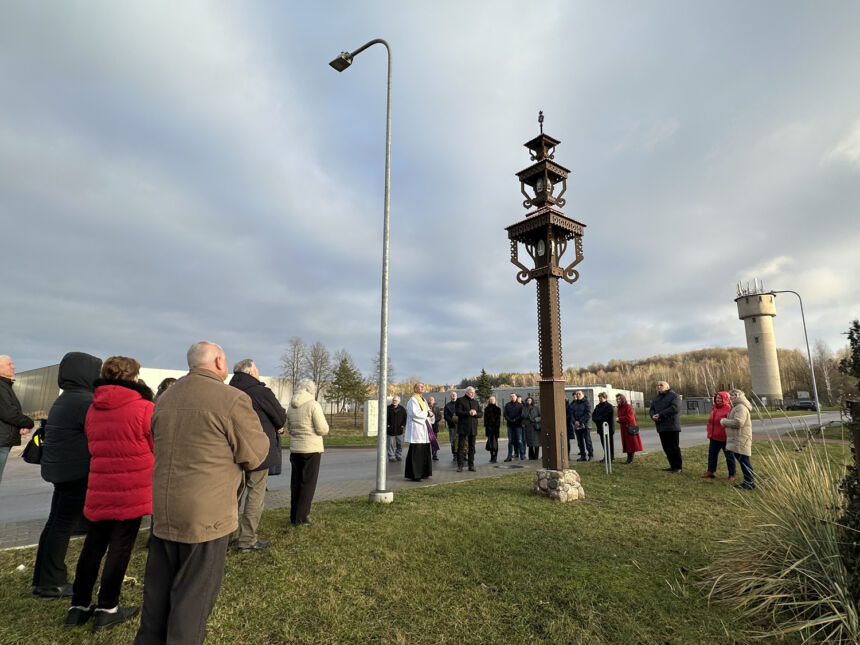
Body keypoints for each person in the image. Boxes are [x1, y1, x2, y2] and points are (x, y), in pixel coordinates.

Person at [133, 342, 268, 645]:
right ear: (219, 361)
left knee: (156, 602)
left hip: (165, 512)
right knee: (193, 602)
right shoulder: (232, 399)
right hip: (208, 517)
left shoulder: (165, 399)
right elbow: (256, 454)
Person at [65, 356, 154, 632]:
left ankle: (78, 606)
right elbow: (155, 443)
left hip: (100, 486)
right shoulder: (144, 408)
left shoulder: (93, 408)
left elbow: (92, 441)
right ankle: (107, 607)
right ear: (134, 378)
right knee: (120, 547)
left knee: (93, 545)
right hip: (132, 488)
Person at [32, 351, 102, 599]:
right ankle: (51, 582)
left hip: (63, 472)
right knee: (62, 526)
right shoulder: (84, 402)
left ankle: (43, 578)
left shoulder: (67, 398)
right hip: (76, 474)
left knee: (55, 524)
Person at [229, 359, 287, 552]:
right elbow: (280, 416)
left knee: (232, 495)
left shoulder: (228, 391)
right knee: (255, 494)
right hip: (257, 451)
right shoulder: (261, 392)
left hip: (231, 451)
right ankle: (247, 540)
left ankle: (226, 535)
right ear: (252, 372)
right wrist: (277, 425)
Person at [286, 378, 329, 526]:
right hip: (311, 449)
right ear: (311, 391)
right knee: (308, 484)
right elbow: (323, 429)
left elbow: (289, 428)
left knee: (296, 483)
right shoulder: (313, 405)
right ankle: (301, 518)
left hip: (296, 449)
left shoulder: (291, 406)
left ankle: (293, 516)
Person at [0, 354, 34, 484]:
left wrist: (21, 425)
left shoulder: (5, 385)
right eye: (9, 364)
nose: (13, 367)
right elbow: (8, 413)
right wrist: (29, 422)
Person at [721, 389, 755, 490]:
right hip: (737, 438)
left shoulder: (741, 408)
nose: (730, 398)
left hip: (741, 438)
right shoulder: (736, 407)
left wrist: (724, 422)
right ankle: (748, 481)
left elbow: (738, 423)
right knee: (743, 460)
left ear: (737, 396)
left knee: (744, 460)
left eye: (731, 396)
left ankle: (749, 482)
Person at [649, 381, 682, 473]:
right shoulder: (656, 398)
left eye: (661, 385)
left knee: (674, 447)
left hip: (672, 426)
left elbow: (674, 408)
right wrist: (652, 416)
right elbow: (651, 409)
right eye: (658, 385)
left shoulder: (675, 396)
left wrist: (660, 414)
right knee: (666, 447)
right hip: (661, 426)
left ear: (667, 387)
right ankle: (672, 465)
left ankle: (678, 467)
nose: (659, 387)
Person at [702, 391, 736, 480]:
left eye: (720, 398)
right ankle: (710, 471)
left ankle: (732, 474)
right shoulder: (714, 408)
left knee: (729, 456)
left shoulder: (729, 409)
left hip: (725, 438)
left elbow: (731, 423)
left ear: (725, 399)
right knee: (712, 455)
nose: (718, 400)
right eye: (717, 398)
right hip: (714, 437)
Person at [404, 383, 433, 481]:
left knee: (425, 452)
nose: (422, 388)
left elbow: (428, 411)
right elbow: (414, 414)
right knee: (417, 453)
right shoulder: (413, 400)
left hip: (425, 430)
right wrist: (427, 413)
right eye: (420, 387)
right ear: (415, 389)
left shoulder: (423, 400)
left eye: (423, 386)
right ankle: (415, 474)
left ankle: (424, 473)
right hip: (417, 429)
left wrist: (430, 414)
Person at [455, 386, 482, 472]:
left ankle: (471, 465)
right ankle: (460, 465)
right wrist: (468, 412)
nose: (473, 394)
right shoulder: (460, 400)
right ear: (467, 392)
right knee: (461, 447)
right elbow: (458, 412)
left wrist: (476, 413)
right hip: (463, 427)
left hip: (473, 427)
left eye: (474, 393)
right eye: (471, 392)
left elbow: (481, 414)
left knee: (472, 447)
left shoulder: (476, 402)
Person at [615, 394, 642, 464]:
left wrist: (619, 419)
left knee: (631, 444)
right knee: (627, 443)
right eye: (617, 399)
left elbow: (630, 417)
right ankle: (629, 459)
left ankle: (630, 459)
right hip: (624, 427)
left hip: (630, 427)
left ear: (623, 399)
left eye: (619, 399)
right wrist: (619, 420)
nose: (618, 400)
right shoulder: (619, 407)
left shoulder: (628, 406)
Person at [568, 390, 593, 462]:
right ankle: (583, 456)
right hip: (576, 425)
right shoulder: (574, 404)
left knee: (587, 440)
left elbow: (588, 413)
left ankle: (590, 455)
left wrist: (580, 421)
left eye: (579, 394)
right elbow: (571, 414)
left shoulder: (586, 402)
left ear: (582, 394)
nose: (578, 395)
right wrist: (574, 421)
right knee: (580, 441)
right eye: (577, 394)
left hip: (585, 425)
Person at [591, 392, 615, 461]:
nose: (600, 399)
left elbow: (606, 417)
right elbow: (594, 415)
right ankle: (606, 456)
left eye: (601, 398)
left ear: (605, 398)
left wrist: (598, 419)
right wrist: (596, 419)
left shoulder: (609, 406)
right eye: (599, 398)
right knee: (603, 443)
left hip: (608, 428)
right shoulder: (598, 406)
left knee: (609, 443)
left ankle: (611, 457)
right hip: (600, 428)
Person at [503, 393, 524, 462]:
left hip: (518, 425)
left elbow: (521, 415)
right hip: (510, 425)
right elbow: (505, 414)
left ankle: (522, 455)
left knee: (520, 441)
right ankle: (509, 456)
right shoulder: (507, 405)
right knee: (510, 441)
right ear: (510, 398)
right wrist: (510, 420)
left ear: (516, 397)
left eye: (513, 396)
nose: (512, 397)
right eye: (511, 396)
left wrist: (515, 420)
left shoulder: (520, 405)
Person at [386, 395, 406, 463]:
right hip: (390, 430)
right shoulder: (388, 408)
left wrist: (403, 425)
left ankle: (398, 455)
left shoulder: (402, 409)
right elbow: (385, 418)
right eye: (393, 400)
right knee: (390, 444)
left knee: (399, 444)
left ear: (399, 401)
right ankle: (391, 456)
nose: (394, 401)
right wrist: (387, 425)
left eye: (396, 400)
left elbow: (405, 418)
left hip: (399, 429)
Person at [483, 396, 502, 463]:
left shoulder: (498, 409)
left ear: (495, 400)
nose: (491, 401)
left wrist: (496, 427)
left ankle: (495, 457)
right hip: (489, 428)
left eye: (493, 399)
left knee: (495, 443)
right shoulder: (486, 409)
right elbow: (485, 420)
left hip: (495, 429)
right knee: (490, 443)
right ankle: (491, 456)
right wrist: (487, 426)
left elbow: (498, 420)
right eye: (490, 399)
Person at [522, 396, 542, 461]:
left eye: (530, 400)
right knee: (530, 443)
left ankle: (536, 456)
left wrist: (535, 420)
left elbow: (540, 416)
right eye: (528, 400)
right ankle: (531, 456)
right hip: (528, 427)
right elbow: (523, 417)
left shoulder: (536, 407)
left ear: (532, 401)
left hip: (535, 427)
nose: (529, 401)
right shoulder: (524, 408)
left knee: (537, 443)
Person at [427, 395, 442, 461]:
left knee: (434, 441)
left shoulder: (437, 408)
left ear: (434, 401)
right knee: (427, 442)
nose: (430, 401)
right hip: (427, 427)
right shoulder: (425, 407)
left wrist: (433, 421)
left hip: (434, 427)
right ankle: (427, 455)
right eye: (429, 400)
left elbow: (439, 417)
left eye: (431, 400)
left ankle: (434, 455)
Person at [443, 391, 458, 461]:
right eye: (452, 395)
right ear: (450, 396)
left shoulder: (460, 404)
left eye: (454, 395)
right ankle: (455, 455)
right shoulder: (447, 406)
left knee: (462, 440)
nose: (453, 396)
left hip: (460, 426)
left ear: (456, 396)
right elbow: (446, 415)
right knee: (453, 440)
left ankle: (463, 454)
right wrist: (452, 421)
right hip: (452, 426)